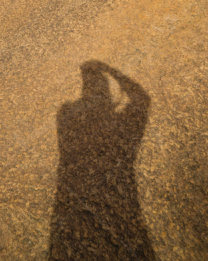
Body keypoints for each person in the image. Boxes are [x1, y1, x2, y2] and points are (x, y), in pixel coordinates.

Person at [48, 60, 157, 260]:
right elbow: (142, 98)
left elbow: (142, 99)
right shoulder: (67, 114)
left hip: (70, 193)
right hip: (122, 200)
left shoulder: (65, 113)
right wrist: (113, 72)